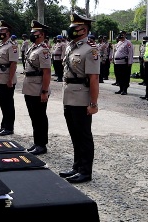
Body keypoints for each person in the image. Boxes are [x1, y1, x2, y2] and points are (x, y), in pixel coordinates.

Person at [59, 13, 99, 184]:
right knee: (74, 134)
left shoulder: (90, 49)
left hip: (82, 97)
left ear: (84, 29)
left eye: (75, 27)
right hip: (69, 96)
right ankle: (76, 167)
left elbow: (94, 79)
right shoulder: (71, 47)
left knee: (83, 135)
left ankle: (85, 171)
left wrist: (93, 103)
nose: (72, 29)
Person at [22, 20, 51, 155]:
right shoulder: (32, 48)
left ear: (42, 34)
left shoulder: (43, 50)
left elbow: (46, 72)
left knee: (40, 117)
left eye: (35, 32)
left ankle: (42, 144)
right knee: (34, 117)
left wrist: (44, 91)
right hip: (29, 87)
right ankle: (36, 142)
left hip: (39, 88)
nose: (32, 34)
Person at [0, 20, 19, 136]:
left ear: (8, 32)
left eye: (2, 30)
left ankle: (9, 127)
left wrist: (10, 79)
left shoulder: (12, 45)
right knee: (2, 103)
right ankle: (4, 125)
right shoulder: (0, 45)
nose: (0, 32)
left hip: (7, 79)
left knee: (8, 103)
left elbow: (13, 64)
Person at [112, 31, 133, 95]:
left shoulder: (128, 43)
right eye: (120, 34)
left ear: (125, 35)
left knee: (125, 76)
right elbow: (115, 51)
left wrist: (130, 62)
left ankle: (124, 89)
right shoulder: (119, 42)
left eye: (123, 34)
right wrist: (113, 59)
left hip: (124, 62)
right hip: (117, 62)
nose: (121, 35)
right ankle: (120, 88)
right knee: (119, 76)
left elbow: (130, 53)